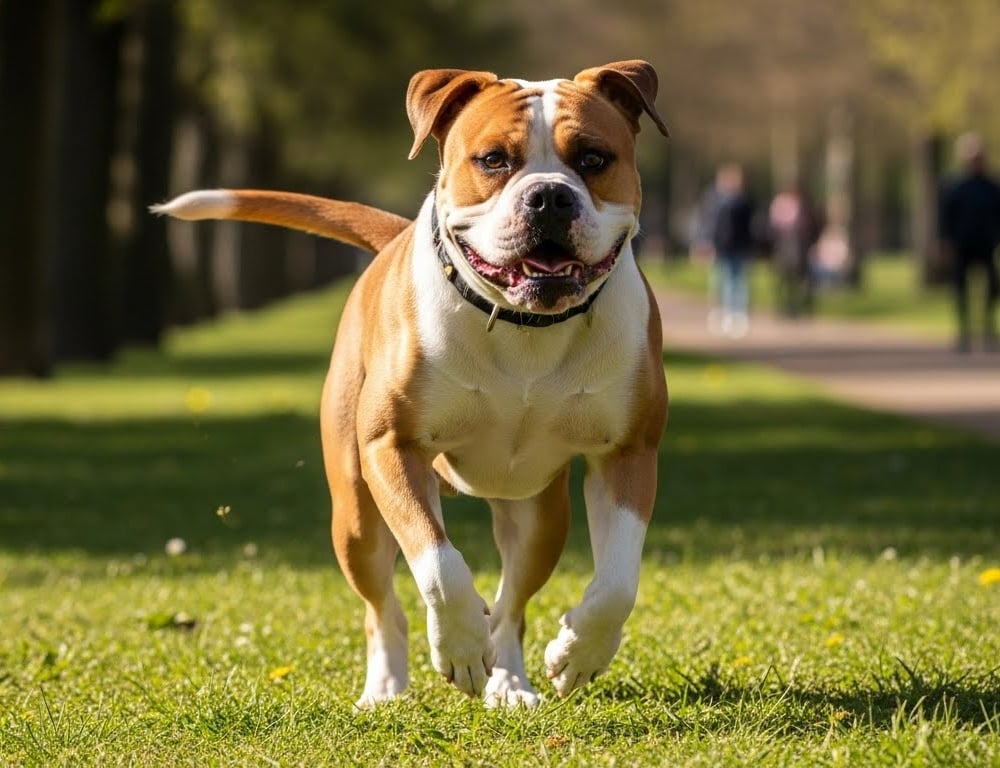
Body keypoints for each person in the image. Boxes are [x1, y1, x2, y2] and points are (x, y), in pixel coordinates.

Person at [938, 132, 1000, 352]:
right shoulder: (955, 187)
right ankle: (963, 333)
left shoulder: (992, 187)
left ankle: (988, 330)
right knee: (960, 289)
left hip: (986, 243)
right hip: (962, 244)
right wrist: (945, 241)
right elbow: (946, 217)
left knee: (992, 288)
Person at [692, 163, 757, 338]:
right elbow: (707, 224)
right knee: (720, 281)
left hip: (739, 247)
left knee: (738, 282)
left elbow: (751, 227)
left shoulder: (744, 201)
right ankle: (721, 312)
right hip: (719, 247)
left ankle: (738, 314)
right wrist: (703, 243)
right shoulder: (713, 200)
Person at [769, 183, 822, 318]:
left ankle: (797, 307)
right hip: (787, 246)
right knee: (787, 279)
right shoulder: (783, 204)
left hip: (798, 247)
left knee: (797, 279)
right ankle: (787, 306)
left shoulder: (805, 207)